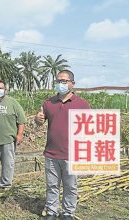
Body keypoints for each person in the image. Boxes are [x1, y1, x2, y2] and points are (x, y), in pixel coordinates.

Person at [35, 70, 90, 220]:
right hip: (52, 153)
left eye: (64, 81)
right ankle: (52, 211)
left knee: (70, 187)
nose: (61, 84)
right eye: (58, 81)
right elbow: (40, 121)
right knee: (52, 185)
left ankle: (68, 213)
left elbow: (90, 129)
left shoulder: (82, 105)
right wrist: (38, 119)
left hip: (72, 154)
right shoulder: (48, 103)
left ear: (72, 84)